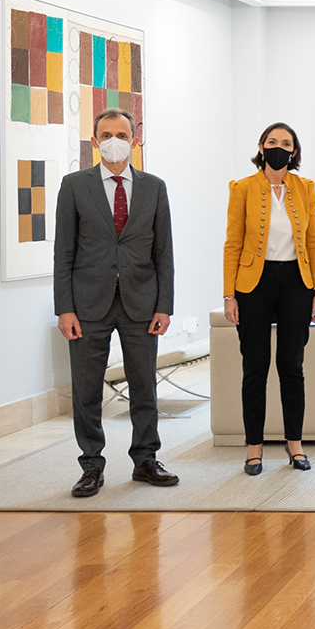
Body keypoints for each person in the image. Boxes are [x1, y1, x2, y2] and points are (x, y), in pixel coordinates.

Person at [54, 108, 179, 497]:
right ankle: (91, 465)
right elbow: (64, 252)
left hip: (141, 302)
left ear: (134, 140)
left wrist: (165, 305)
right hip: (87, 303)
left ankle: (145, 459)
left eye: (121, 134)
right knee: (87, 389)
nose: (114, 140)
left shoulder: (154, 187)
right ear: (94, 141)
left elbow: (164, 252)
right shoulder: (74, 185)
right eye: (106, 134)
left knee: (145, 386)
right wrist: (64, 308)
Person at [224, 122, 315, 475]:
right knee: (255, 367)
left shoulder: (305, 188)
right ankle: (254, 449)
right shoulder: (242, 188)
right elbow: (232, 244)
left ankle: (294, 446)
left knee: (292, 366)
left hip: (296, 283)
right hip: (254, 282)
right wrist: (229, 294)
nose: (279, 147)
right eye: (272, 142)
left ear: (294, 152)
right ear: (261, 147)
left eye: (286, 143)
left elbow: (313, 241)